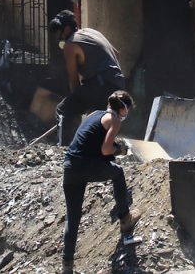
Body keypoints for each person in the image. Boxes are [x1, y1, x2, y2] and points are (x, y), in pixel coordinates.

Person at [61, 90, 141, 274]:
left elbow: (89, 143)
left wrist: (112, 148)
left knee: (72, 217)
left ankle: (67, 266)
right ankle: (125, 220)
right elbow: (105, 150)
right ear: (123, 108)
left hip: (70, 167)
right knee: (118, 172)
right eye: (127, 109)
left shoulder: (94, 114)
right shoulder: (115, 119)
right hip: (86, 166)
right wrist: (119, 150)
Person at [49, 9, 126, 146]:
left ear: (66, 29)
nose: (57, 37)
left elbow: (74, 81)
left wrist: (78, 104)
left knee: (64, 109)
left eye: (58, 32)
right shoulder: (92, 32)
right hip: (117, 83)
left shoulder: (70, 45)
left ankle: (63, 149)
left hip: (100, 83)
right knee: (96, 119)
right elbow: (116, 54)